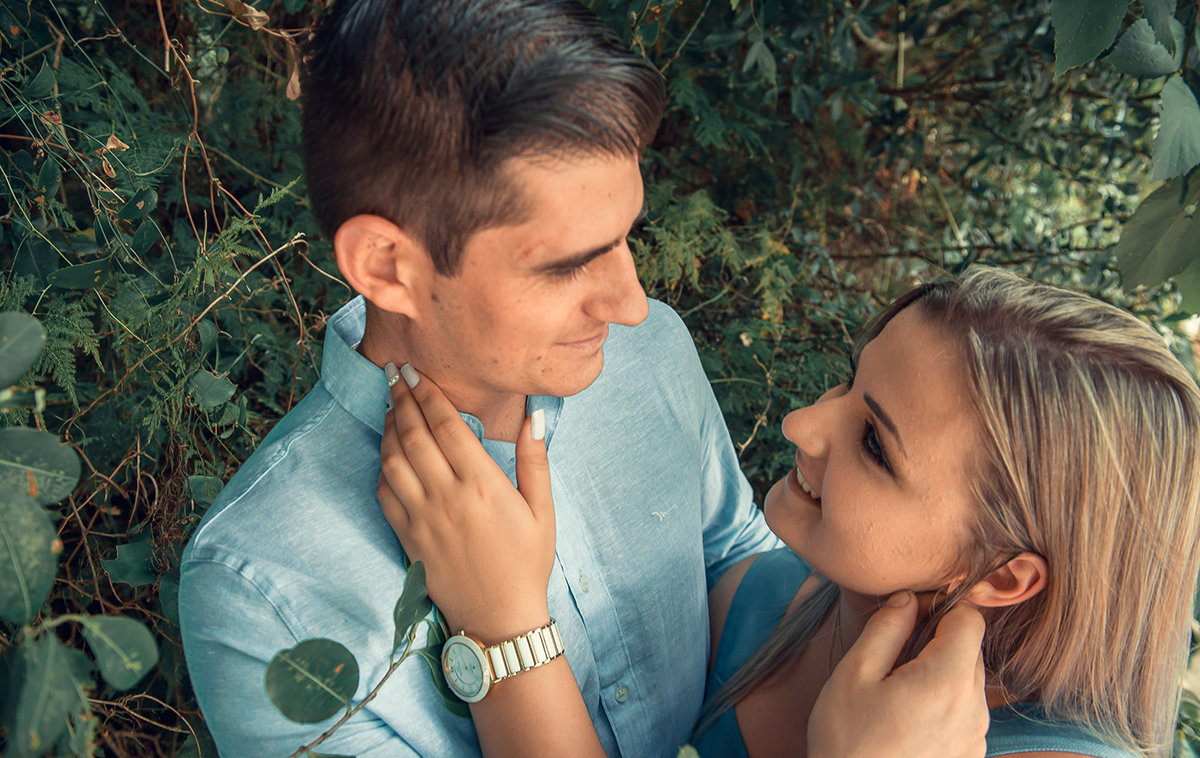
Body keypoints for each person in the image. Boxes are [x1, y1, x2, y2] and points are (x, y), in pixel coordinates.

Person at [179, 0, 989, 754]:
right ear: (390, 266)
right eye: (567, 264)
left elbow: (729, 553)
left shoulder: (647, 350)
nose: (632, 303)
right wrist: (509, 638)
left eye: (625, 237)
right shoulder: (262, 590)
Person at [377, 266, 1200, 758]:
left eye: (875, 444)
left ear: (1005, 573)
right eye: (850, 381)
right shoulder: (796, 600)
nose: (802, 424)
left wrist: (502, 627)